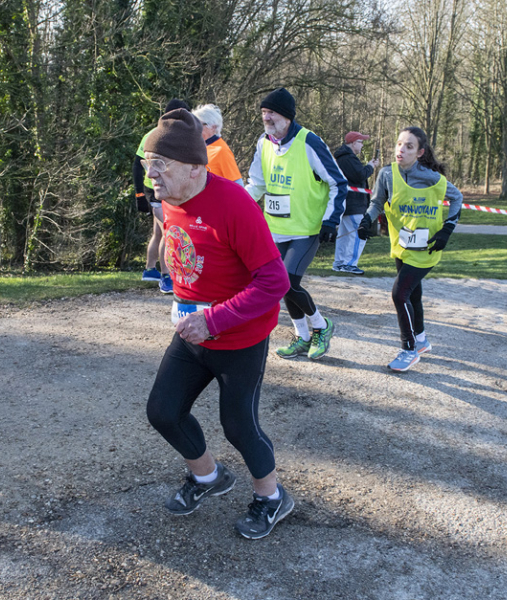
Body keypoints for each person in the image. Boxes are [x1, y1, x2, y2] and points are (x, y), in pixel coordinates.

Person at [143, 108, 294, 539]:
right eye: (148, 163)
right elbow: (188, 258)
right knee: (164, 412)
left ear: (193, 168)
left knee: (238, 425)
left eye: (161, 165)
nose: (151, 174)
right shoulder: (170, 201)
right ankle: (209, 478)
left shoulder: (234, 204)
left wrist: (214, 318)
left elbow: (274, 281)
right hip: (193, 331)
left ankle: (271, 497)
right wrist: (183, 299)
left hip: (239, 336)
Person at [245, 87, 348, 360]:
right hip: (275, 229)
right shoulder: (263, 143)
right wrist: (236, 205)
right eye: (264, 113)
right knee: (278, 284)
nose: (267, 118)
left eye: (272, 113)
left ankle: (322, 327)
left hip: (307, 228)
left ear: (288, 117)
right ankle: (303, 337)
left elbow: (338, 182)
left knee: (287, 280)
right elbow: (256, 184)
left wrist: (331, 220)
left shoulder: (309, 141)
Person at [357, 126, 463, 372]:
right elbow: (377, 203)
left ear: (420, 152)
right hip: (402, 246)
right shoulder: (386, 174)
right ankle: (422, 339)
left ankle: (409, 348)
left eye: (409, 146)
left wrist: (447, 228)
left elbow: (457, 197)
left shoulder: (431, 178)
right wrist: (367, 220)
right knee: (413, 294)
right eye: (398, 144)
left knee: (399, 294)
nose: (401, 150)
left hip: (427, 248)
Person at [133, 99, 190, 294]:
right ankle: (166, 277)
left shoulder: (180, 137)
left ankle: (150, 270)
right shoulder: (153, 135)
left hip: (167, 190)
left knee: (158, 232)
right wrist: (139, 194)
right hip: (154, 190)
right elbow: (137, 164)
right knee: (169, 231)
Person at [332, 131, 379, 275]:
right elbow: (360, 175)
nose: (362, 145)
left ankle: (339, 263)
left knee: (345, 235)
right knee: (360, 233)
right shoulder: (348, 158)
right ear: (353, 143)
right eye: (360, 142)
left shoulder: (344, 158)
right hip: (354, 203)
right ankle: (350, 263)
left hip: (348, 203)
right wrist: (371, 166)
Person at [191, 104, 243, 185]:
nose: (195, 128)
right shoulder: (198, 147)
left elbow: (237, 185)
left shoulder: (221, 151)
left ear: (213, 127)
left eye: (199, 125)